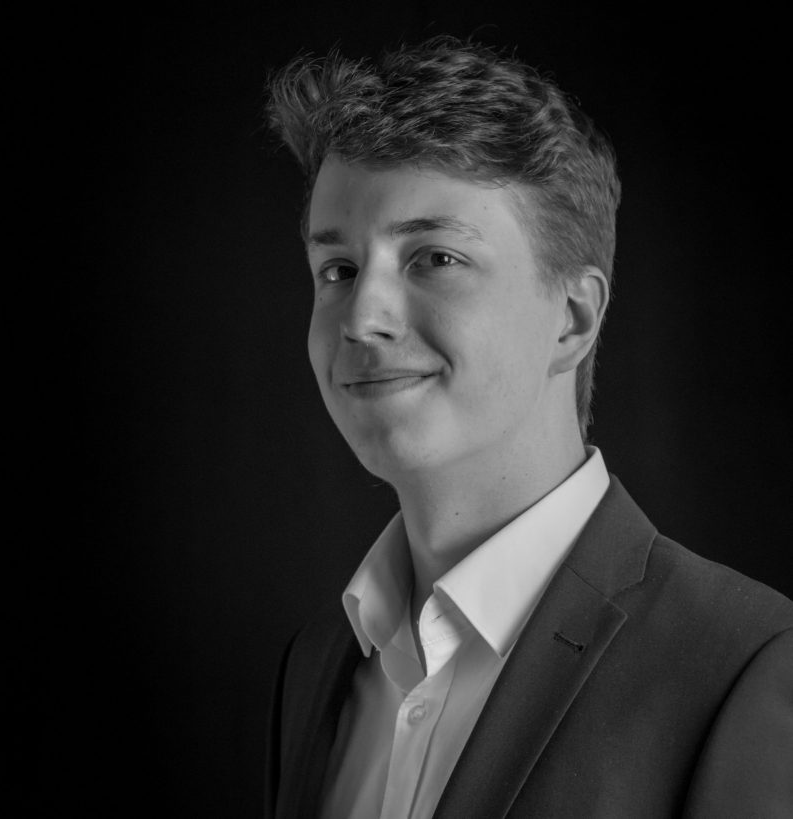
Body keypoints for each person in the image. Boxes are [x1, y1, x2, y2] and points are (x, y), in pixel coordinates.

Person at [263, 37, 793, 818]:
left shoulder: (748, 665)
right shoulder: (313, 666)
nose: (361, 317)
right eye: (337, 269)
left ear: (571, 318)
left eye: (434, 258)